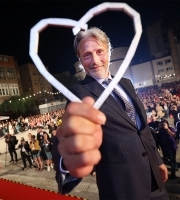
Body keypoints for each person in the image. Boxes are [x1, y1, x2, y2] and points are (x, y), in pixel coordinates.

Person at [52, 27, 169, 200]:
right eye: (87, 55)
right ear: (80, 60)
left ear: (109, 51)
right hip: (122, 186)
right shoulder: (79, 93)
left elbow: (142, 128)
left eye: (100, 51)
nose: (95, 60)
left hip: (154, 179)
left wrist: (157, 160)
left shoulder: (126, 83)